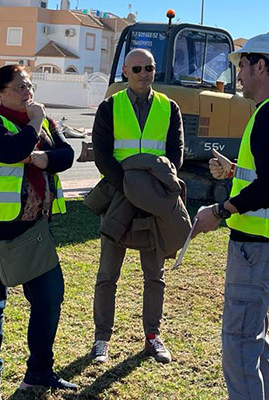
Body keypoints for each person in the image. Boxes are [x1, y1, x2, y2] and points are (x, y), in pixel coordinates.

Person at [193, 34, 269, 400]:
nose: (238, 73)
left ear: (260, 66)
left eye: (242, 65)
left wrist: (220, 211)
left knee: (240, 342)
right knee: (252, 336)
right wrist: (234, 171)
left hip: (256, 245)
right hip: (264, 242)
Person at [0, 64, 76, 400]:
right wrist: (35, 126)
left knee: (50, 297)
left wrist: (42, 159)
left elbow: (67, 155)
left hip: (32, 227)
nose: (28, 93)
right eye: (20, 87)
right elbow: (10, 151)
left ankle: (38, 372)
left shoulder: (43, 121)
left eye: (30, 86)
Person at [89, 48, 184, 364]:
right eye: (138, 68)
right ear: (126, 72)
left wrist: (151, 191)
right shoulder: (109, 107)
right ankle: (102, 339)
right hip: (119, 199)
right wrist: (129, 189)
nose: (145, 73)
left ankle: (153, 336)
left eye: (150, 67)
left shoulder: (169, 108)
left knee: (154, 276)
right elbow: (102, 155)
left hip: (154, 202)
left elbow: (176, 156)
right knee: (107, 275)